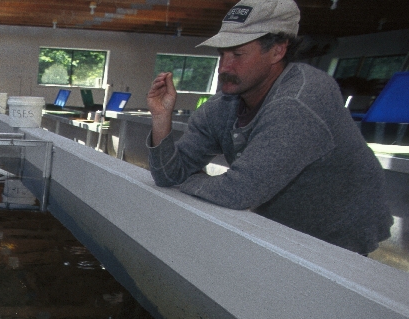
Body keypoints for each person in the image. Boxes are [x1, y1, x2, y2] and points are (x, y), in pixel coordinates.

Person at [146, 0, 392, 255]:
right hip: (284, 219)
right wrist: (162, 117)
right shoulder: (224, 105)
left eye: (238, 54)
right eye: (222, 55)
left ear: (277, 51)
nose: (224, 68)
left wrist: (189, 180)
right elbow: (168, 175)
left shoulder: (300, 100)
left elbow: (238, 192)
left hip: (340, 230)